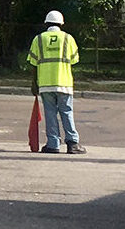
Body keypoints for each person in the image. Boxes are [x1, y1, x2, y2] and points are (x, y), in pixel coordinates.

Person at [28, 10, 86, 154]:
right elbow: (74, 60)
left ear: (46, 23)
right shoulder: (68, 38)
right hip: (64, 83)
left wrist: (34, 83)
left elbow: (33, 64)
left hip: (45, 84)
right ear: (61, 24)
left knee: (50, 113)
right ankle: (72, 143)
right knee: (66, 111)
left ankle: (53, 144)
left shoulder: (39, 39)